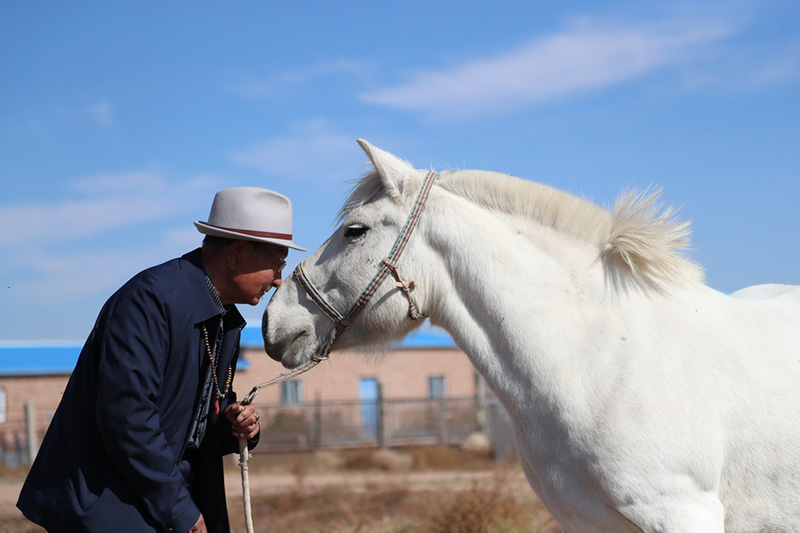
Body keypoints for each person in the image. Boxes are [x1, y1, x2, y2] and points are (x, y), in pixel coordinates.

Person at [17, 187, 305, 533]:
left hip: (157, 500)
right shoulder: (150, 302)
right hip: (107, 505)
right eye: (276, 262)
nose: (278, 280)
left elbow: (195, 415)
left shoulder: (224, 318)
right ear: (238, 253)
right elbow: (128, 419)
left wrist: (232, 423)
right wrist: (180, 511)